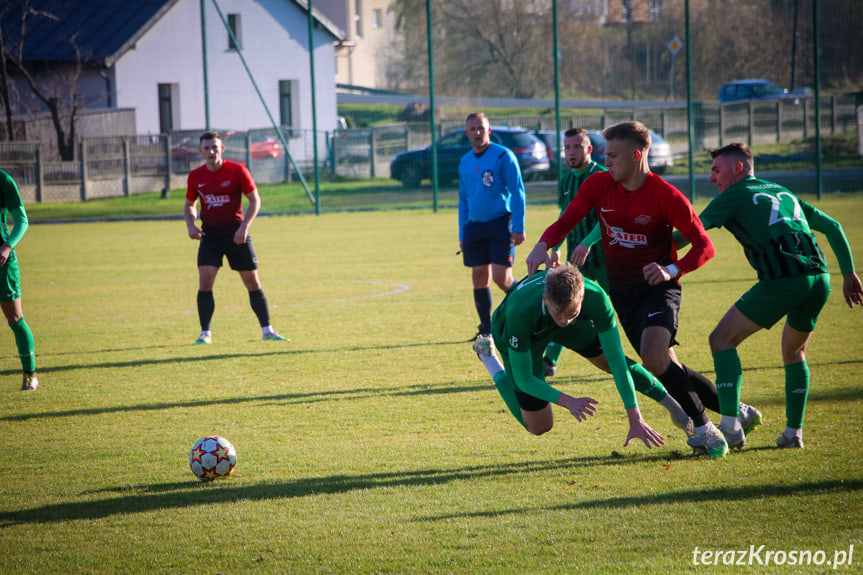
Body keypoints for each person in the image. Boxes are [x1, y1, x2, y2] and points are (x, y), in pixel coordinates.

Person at [526, 121, 760, 459]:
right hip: (621, 293)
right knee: (662, 365)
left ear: (637, 156)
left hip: (658, 290)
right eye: (605, 155)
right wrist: (543, 244)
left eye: (613, 156)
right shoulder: (599, 184)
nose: (606, 162)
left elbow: (704, 246)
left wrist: (671, 269)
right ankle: (737, 410)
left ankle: (704, 429)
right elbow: (568, 220)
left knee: (653, 355)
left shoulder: (665, 195)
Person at [696, 143, 863, 450]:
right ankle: (793, 434)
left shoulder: (735, 194)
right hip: (819, 277)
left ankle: (731, 427)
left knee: (721, 340)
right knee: (794, 352)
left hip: (785, 279)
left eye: (716, 171)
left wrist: (646, 245)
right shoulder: (780, 191)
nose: (711, 179)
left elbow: (694, 234)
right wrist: (850, 273)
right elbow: (834, 226)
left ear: (737, 169)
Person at [473, 263, 678, 448]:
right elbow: (524, 379)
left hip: (559, 321)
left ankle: (677, 410)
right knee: (539, 426)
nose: (564, 320)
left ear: (581, 297)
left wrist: (635, 418)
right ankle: (489, 357)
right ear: (545, 298)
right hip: (522, 333)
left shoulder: (595, 297)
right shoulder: (519, 313)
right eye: (558, 314)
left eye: (571, 313)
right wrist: (568, 401)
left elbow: (616, 361)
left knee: (607, 360)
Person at [184, 131, 288, 344]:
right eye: (207, 148)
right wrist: (190, 224)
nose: (211, 151)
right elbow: (190, 204)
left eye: (215, 147)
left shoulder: (237, 170)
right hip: (210, 237)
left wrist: (244, 228)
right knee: (205, 280)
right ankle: (205, 333)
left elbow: (254, 200)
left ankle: (268, 331)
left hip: (237, 236)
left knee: (252, 282)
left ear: (222, 148)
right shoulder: (196, 176)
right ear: (200, 151)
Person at [543, 128, 608, 377]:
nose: (571, 152)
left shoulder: (603, 176)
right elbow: (564, 216)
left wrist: (589, 242)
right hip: (576, 259)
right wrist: (556, 246)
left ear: (589, 149)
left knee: (621, 309)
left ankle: (648, 354)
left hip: (607, 259)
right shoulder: (566, 180)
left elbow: (608, 217)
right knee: (568, 304)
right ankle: (549, 360)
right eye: (567, 147)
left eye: (577, 147)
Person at [458, 112, 526, 343]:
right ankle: (486, 329)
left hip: (501, 223)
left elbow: (517, 192)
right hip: (474, 227)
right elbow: (463, 200)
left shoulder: (503, 156)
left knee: (501, 278)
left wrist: (518, 226)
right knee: (479, 277)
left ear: (489, 130)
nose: (477, 132)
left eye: (481, 128)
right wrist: (462, 232)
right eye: (473, 129)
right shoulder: (465, 161)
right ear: (466, 133)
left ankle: (528, 305)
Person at [0, 169, 37, 391]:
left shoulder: (4, 180)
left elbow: (22, 220)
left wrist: (7, 245)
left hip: (2, 262)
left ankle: (30, 374)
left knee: (15, 318)